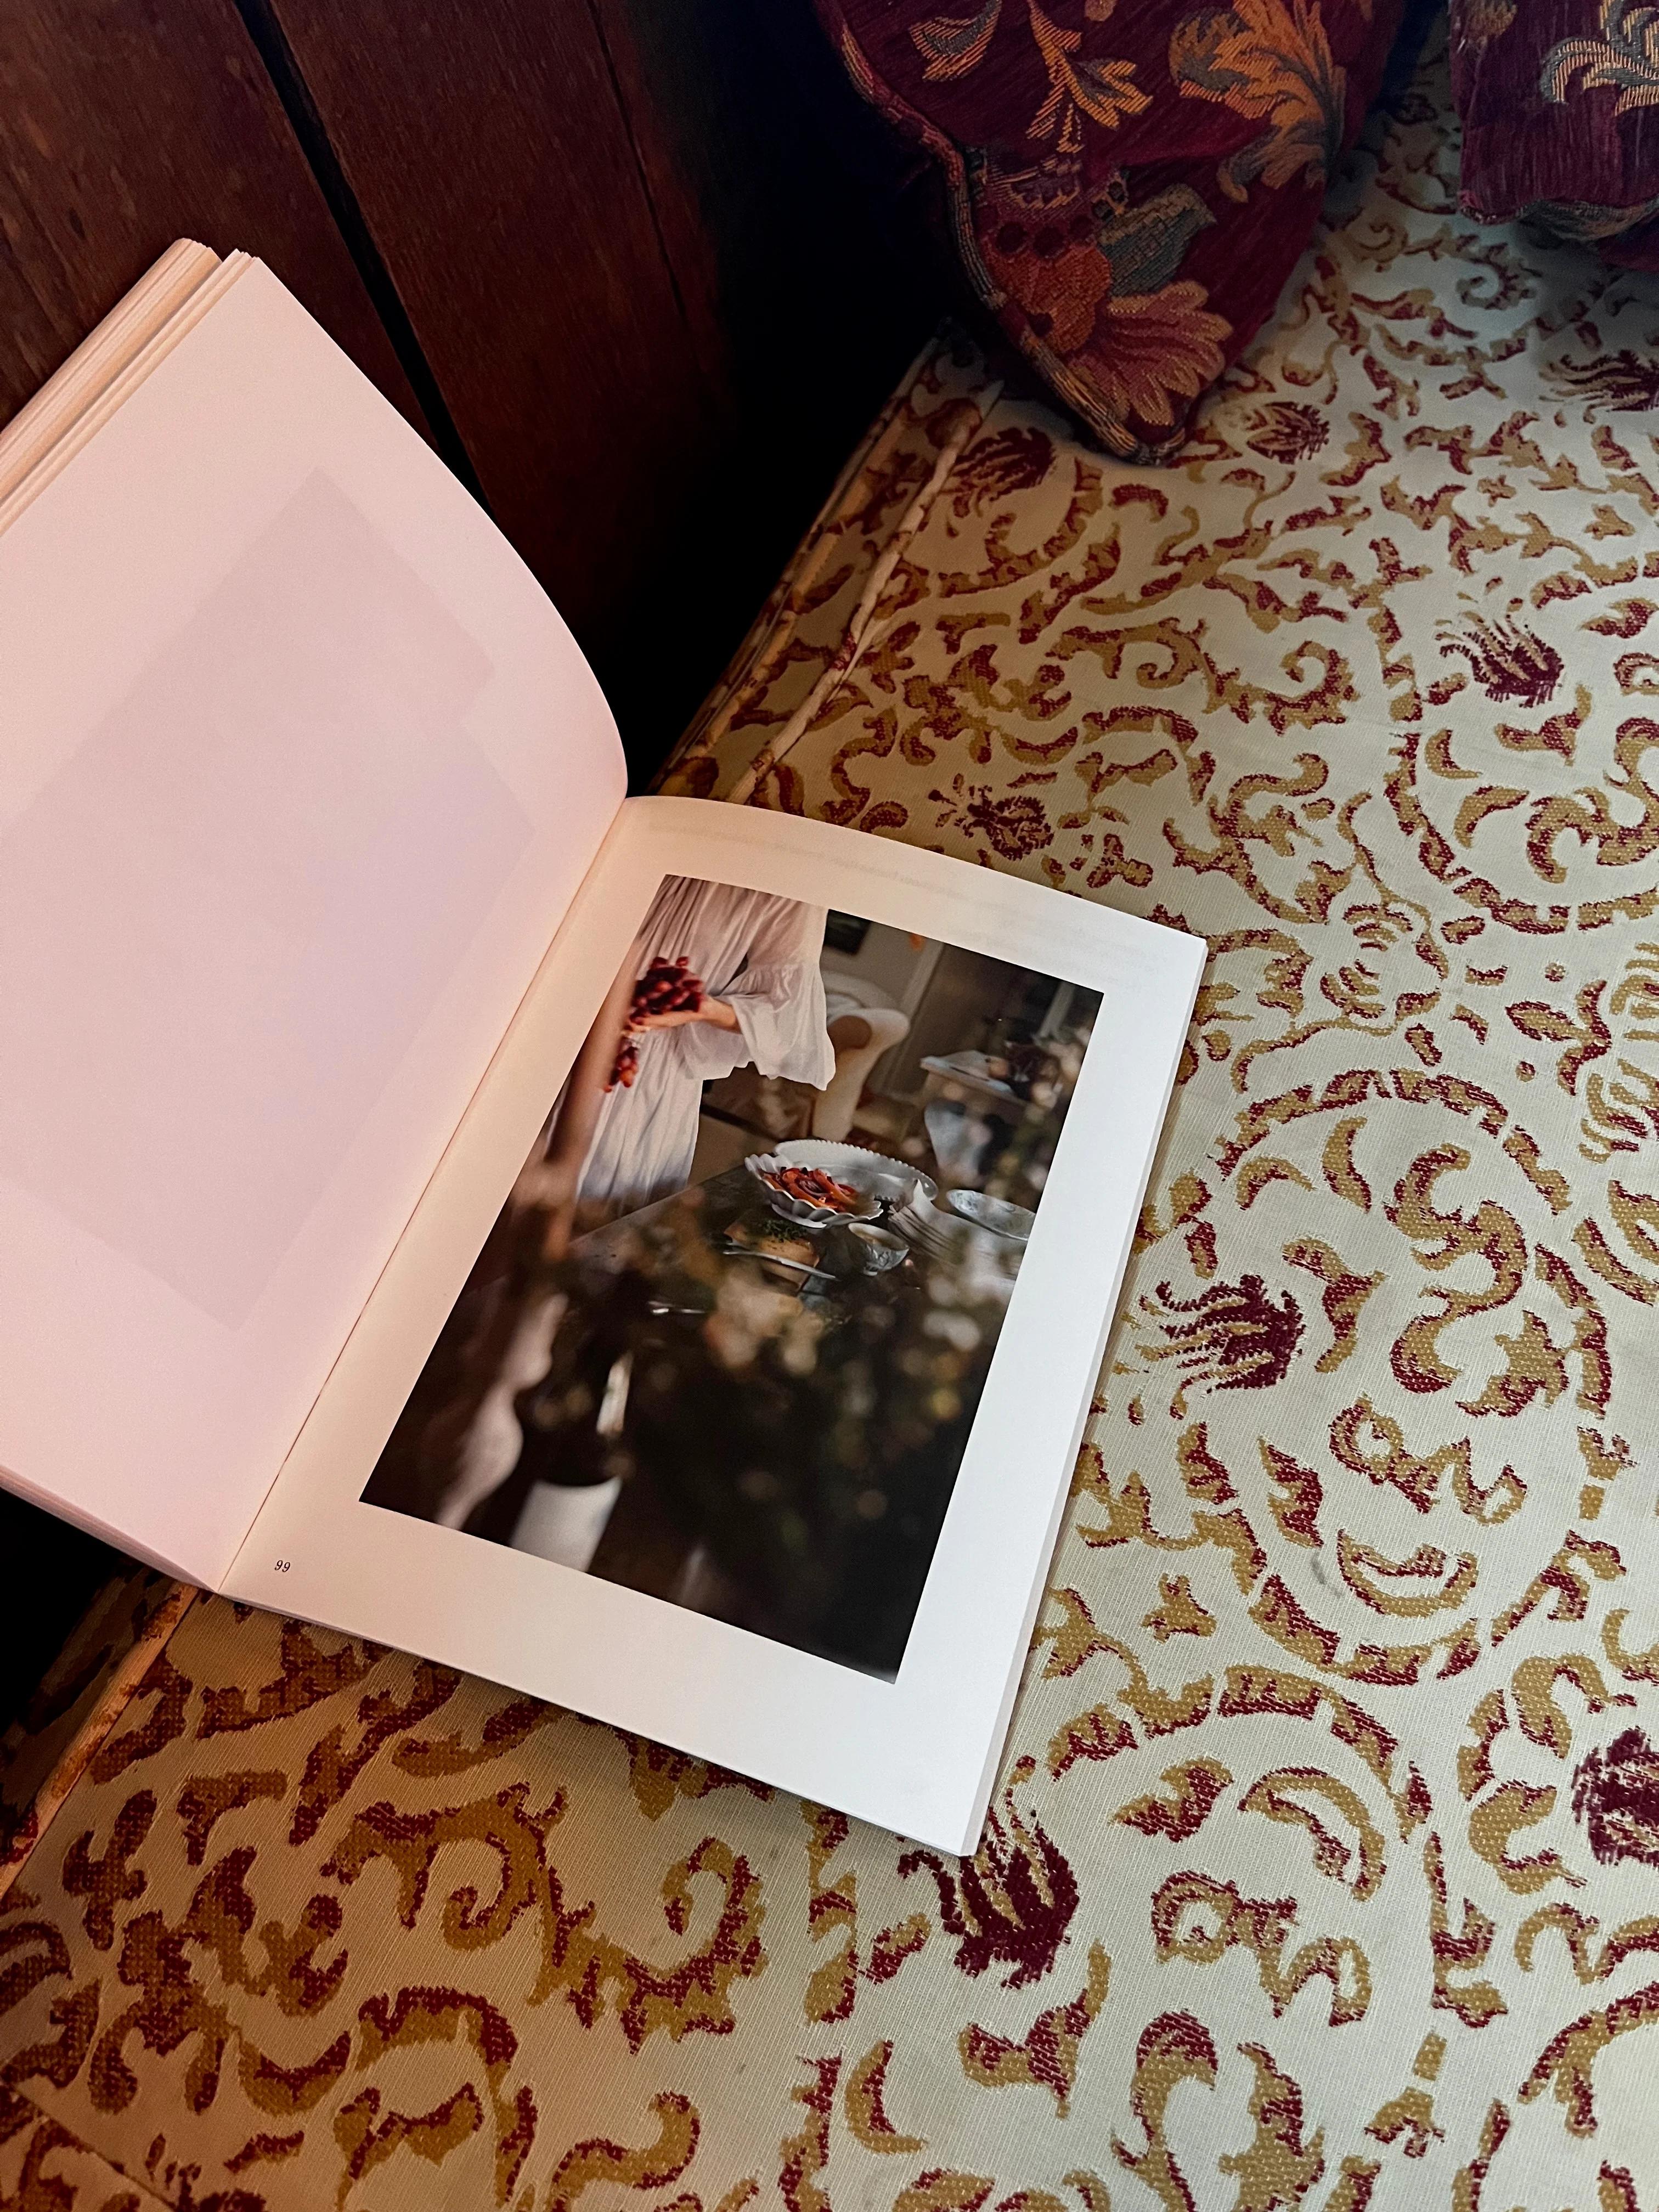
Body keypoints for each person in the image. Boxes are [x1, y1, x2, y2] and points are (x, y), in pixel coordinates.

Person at [521, 875, 837, 1254]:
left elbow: (789, 1016)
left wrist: (701, 1008)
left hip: (648, 1076)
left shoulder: (791, 885)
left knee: (593, 1238)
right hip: (550, 1033)